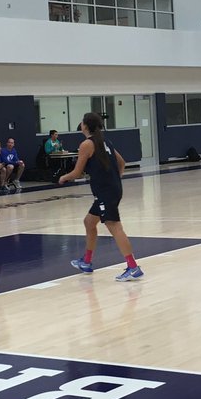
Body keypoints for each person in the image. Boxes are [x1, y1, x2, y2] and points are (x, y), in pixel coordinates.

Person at [59, 113, 143, 281]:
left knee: (114, 227)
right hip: (111, 189)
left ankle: (133, 267)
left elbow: (77, 172)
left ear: (85, 125)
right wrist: (114, 179)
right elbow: (122, 163)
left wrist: (63, 177)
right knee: (89, 222)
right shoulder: (106, 141)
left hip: (106, 191)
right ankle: (87, 261)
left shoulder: (86, 144)